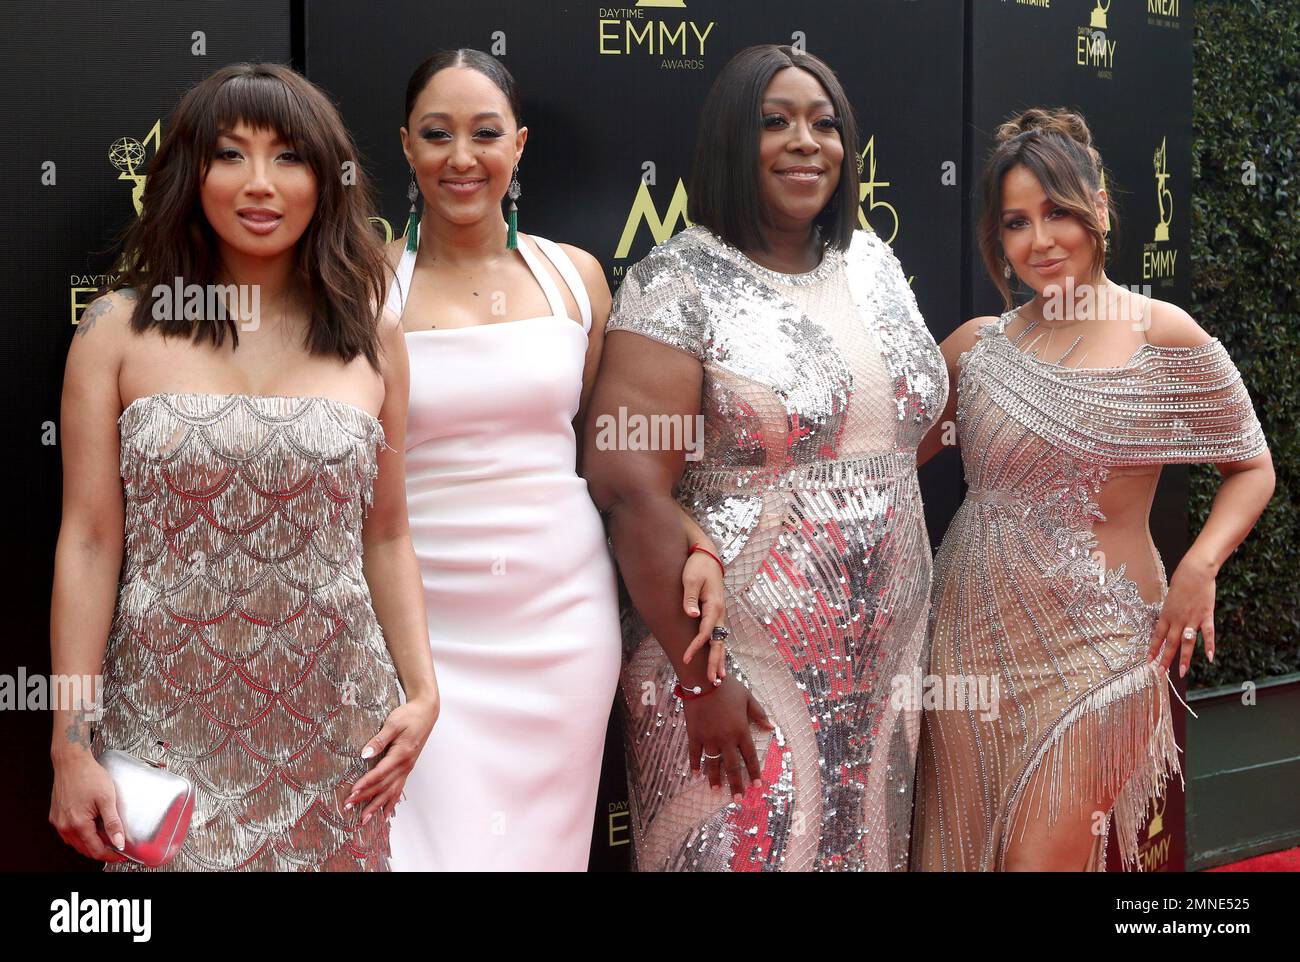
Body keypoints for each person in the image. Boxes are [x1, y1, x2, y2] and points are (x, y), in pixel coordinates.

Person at [48, 63, 438, 871]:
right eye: (230, 154)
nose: (260, 182)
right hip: (162, 730)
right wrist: (70, 743)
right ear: (190, 175)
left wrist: (424, 692)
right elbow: (88, 543)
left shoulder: (373, 331)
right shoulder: (116, 329)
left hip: (337, 727)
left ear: (325, 178)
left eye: (288, 156)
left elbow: (387, 535)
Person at [583, 44, 948, 872]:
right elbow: (629, 489)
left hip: (884, 666)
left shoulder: (873, 262)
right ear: (729, 141)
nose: (804, 142)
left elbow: (894, 430)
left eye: (824, 123)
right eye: (774, 122)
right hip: (734, 665)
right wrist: (700, 681)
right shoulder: (677, 280)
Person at [383, 49, 725, 871]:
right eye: (437, 134)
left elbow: (602, 453)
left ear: (520, 144)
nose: (462, 158)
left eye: (485, 133)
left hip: (559, 619)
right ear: (405, 146)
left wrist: (693, 537)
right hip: (416, 622)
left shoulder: (576, 279)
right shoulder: (363, 286)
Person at [911, 108, 1274, 871]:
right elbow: (880, 463)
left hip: (1100, 650)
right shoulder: (977, 348)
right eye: (1016, 222)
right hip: (968, 646)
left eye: (1058, 213)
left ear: (1099, 208)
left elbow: (1252, 466)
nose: (1039, 240)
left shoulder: (1163, 334)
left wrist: (1200, 565)